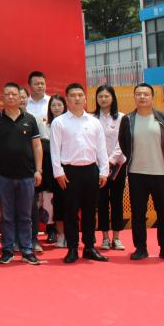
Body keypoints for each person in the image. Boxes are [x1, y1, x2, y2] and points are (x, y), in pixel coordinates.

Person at [118, 83, 164, 262]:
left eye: (146, 94)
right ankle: (140, 248)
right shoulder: (128, 120)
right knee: (138, 213)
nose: (142, 97)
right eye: (139, 94)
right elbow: (123, 142)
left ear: (152, 97)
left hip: (161, 173)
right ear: (134, 97)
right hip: (136, 173)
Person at [50, 84, 109, 264]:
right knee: (70, 212)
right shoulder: (59, 122)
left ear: (85, 98)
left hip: (91, 170)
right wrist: (58, 173)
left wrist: (104, 171)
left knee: (90, 211)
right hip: (69, 172)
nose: (77, 98)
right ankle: (73, 248)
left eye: (80, 95)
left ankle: (89, 247)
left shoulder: (94, 122)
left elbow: (101, 148)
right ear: (67, 100)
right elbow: (54, 150)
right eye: (73, 95)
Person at [0, 82, 42, 265]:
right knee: (7, 216)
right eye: (7, 94)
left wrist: (39, 170)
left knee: (25, 215)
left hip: (27, 175)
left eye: (14, 94)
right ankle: (7, 249)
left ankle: (26, 250)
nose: (10, 97)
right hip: (3, 176)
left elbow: (37, 146)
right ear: (2, 97)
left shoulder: (30, 119)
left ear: (20, 97)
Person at [93, 85, 126, 251]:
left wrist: (111, 161)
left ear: (112, 98)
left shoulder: (121, 118)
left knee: (117, 201)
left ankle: (117, 237)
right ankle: (105, 237)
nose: (103, 99)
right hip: (98, 167)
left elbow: (123, 141)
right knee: (102, 201)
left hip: (117, 166)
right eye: (100, 96)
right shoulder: (92, 118)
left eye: (106, 96)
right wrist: (101, 163)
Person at [40, 94, 67, 247]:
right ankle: (60, 234)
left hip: (69, 166)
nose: (56, 108)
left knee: (70, 202)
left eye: (59, 105)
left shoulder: (69, 123)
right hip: (51, 168)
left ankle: (70, 234)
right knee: (56, 202)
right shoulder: (45, 126)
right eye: (53, 106)